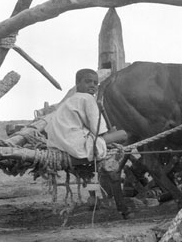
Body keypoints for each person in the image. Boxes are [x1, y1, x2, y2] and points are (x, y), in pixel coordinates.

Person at [45, 68, 133, 219]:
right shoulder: (87, 99)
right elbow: (100, 132)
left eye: (95, 83)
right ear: (77, 83)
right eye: (88, 82)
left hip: (61, 141)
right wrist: (112, 136)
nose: (92, 85)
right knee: (124, 134)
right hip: (74, 143)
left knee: (113, 136)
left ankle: (106, 197)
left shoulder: (71, 100)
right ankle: (121, 206)